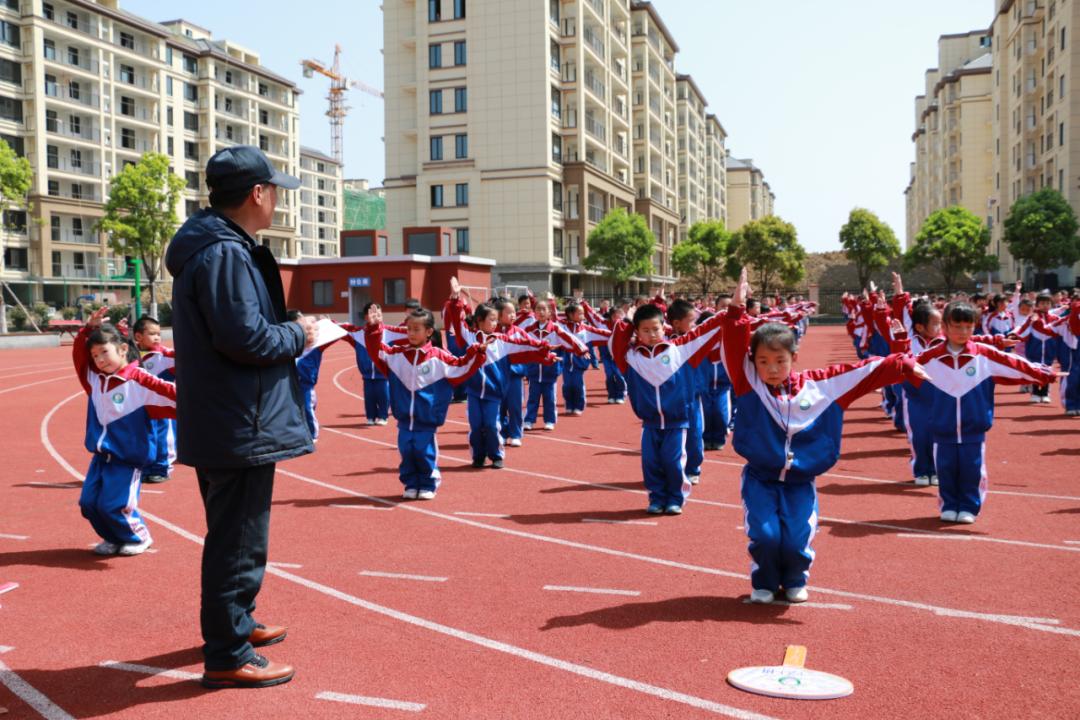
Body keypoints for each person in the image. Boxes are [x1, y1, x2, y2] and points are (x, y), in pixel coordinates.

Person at [165, 145, 317, 689]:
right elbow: (245, 337)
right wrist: (302, 334)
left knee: (242, 534)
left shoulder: (216, 247)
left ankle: (237, 623)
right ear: (257, 194)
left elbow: (241, 326)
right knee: (236, 537)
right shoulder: (224, 253)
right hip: (239, 419)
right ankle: (227, 652)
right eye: (274, 190)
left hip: (232, 415)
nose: (277, 200)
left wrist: (288, 325)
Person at [722, 268, 929, 605]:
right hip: (761, 477)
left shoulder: (822, 385)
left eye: (779, 360)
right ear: (752, 362)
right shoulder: (749, 384)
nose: (771, 368)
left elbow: (866, 371)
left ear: (794, 359)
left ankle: (793, 580)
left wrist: (903, 365)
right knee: (764, 534)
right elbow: (733, 346)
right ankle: (764, 581)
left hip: (802, 479)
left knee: (795, 537)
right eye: (762, 361)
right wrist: (736, 310)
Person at [914, 301, 1056, 523]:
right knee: (946, 469)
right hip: (942, 429)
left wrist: (1041, 373)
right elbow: (903, 370)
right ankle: (949, 504)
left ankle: (969, 506)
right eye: (957, 326)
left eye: (968, 327)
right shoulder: (929, 357)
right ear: (945, 326)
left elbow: (1015, 364)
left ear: (975, 327)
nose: (963, 332)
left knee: (972, 469)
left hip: (974, 428)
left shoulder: (985, 355)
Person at [73, 307, 176, 557]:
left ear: (122, 350)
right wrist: (88, 330)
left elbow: (175, 395)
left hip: (128, 458)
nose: (100, 360)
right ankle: (113, 537)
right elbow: (79, 358)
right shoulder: (94, 380)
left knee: (115, 504)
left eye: (105, 352)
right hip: (100, 456)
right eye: (95, 355)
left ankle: (138, 536)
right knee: (88, 504)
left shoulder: (140, 380)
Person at [608, 301, 725, 515]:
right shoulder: (631, 358)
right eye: (645, 330)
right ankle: (656, 498)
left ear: (665, 328)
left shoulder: (680, 349)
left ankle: (675, 498)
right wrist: (627, 319)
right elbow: (616, 343)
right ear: (637, 332)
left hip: (677, 421)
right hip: (650, 423)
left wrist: (734, 307)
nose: (652, 334)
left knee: (673, 461)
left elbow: (708, 329)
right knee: (650, 464)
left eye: (656, 329)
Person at [366, 308, 488, 499]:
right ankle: (411, 484)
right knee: (407, 451)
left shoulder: (439, 357)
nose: (411, 333)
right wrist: (374, 329)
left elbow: (462, 366)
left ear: (429, 331)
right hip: (405, 418)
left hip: (427, 419)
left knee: (423, 451)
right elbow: (376, 351)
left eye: (416, 329)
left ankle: (428, 483)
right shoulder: (396, 355)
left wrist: (477, 352)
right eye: (409, 329)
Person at [444, 281, 554, 469]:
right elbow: (456, 319)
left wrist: (546, 352)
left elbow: (527, 346)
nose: (495, 324)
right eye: (491, 320)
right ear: (479, 321)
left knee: (492, 425)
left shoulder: (502, 340)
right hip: (474, 393)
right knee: (476, 427)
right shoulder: (468, 337)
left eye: (496, 320)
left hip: (494, 393)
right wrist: (455, 299)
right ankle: (478, 456)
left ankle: (496, 455)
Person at [132, 315, 176, 484]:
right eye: (152, 333)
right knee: (145, 437)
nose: (157, 337)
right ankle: (147, 468)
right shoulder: (132, 354)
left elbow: (184, 357)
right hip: (140, 405)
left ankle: (161, 468)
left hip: (161, 405)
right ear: (138, 337)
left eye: (159, 333)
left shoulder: (164, 356)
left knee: (163, 437)